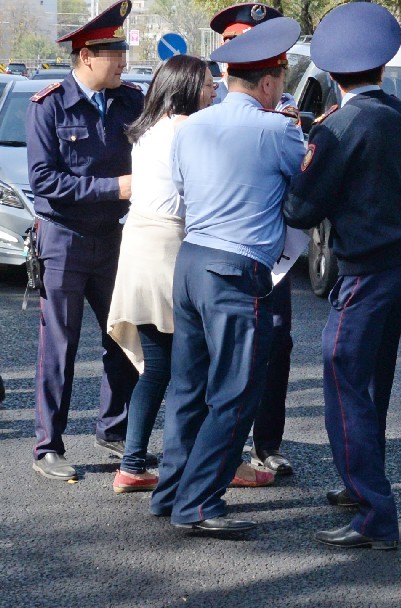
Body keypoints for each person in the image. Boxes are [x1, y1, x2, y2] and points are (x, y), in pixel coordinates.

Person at [148, 16, 304, 535]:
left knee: (189, 387)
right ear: (267, 83)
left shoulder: (190, 126)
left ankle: (170, 493)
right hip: (237, 269)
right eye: (279, 80)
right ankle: (198, 502)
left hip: (191, 261)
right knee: (236, 391)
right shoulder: (276, 127)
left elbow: (182, 186)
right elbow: (303, 180)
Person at [282, 2, 401, 550]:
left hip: (364, 270)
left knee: (342, 377)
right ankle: (359, 484)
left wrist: (305, 151)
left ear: (332, 74)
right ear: (382, 66)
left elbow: (300, 209)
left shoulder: (338, 126)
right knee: (371, 383)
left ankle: (372, 511)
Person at [26, 0, 144, 481]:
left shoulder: (131, 101)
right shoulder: (50, 105)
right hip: (66, 240)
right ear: (86, 56)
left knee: (122, 336)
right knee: (60, 344)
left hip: (117, 239)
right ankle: (48, 446)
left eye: (122, 51)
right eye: (113, 53)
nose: (122, 62)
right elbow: (44, 182)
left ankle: (112, 431)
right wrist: (113, 188)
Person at [106, 54, 220, 493]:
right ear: (189, 89)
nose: (215, 92)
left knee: (157, 367)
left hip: (140, 247)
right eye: (209, 85)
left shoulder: (149, 130)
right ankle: (197, 463)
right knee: (193, 367)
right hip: (171, 251)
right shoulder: (189, 131)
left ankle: (134, 464)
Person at [209, 1, 297, 478]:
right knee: (216, 348)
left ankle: (266, 443)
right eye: (236, 44)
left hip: (271, 254)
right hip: (215, 250)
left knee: (275, 342)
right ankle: (217, 449)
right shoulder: (200, 102)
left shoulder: (284, 112)